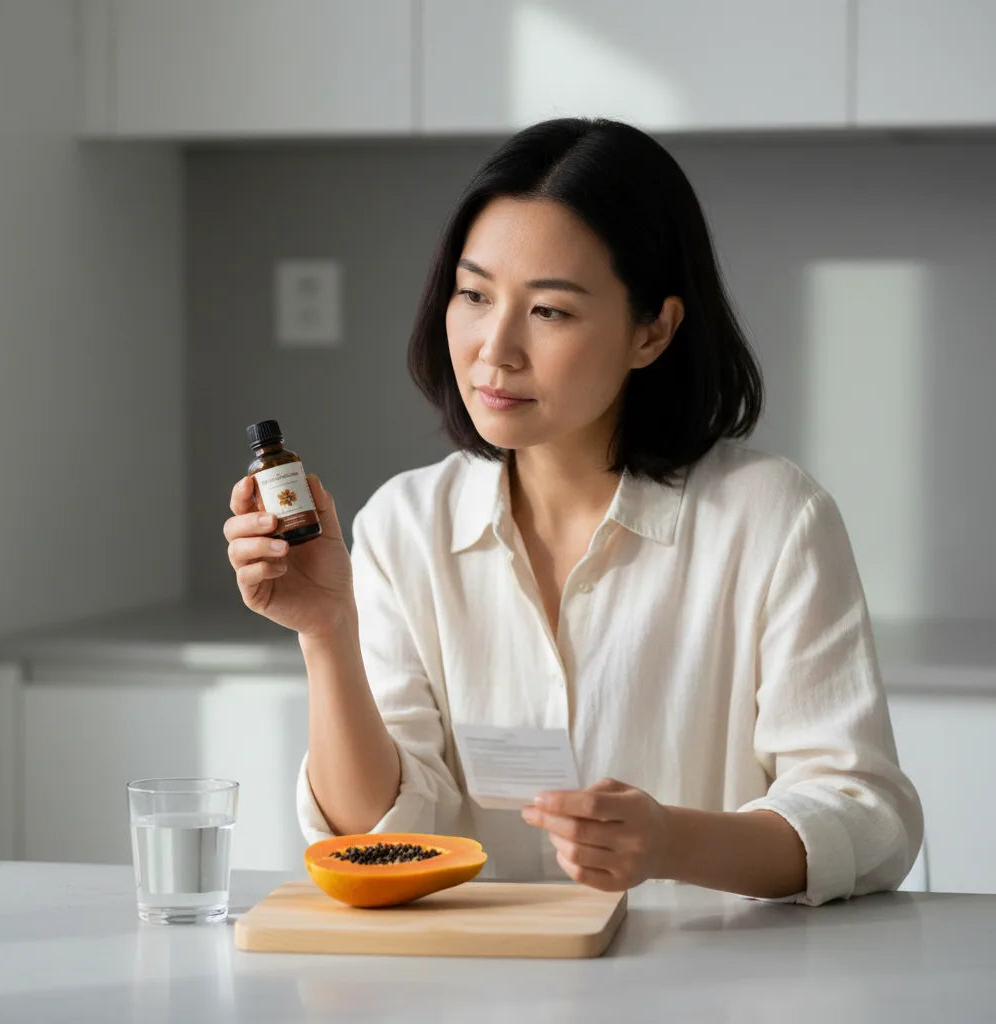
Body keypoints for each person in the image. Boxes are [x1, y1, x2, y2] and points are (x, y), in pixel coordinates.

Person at [224, 118, 922, 906]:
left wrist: (670, 841)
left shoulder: (771, 519)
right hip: (475, 994)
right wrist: (327, 633)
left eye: (549, 311)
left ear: (652, 331)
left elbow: (868, 821)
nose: (495, 348)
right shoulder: (403, 527)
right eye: (474, 294)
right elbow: (375, 842)